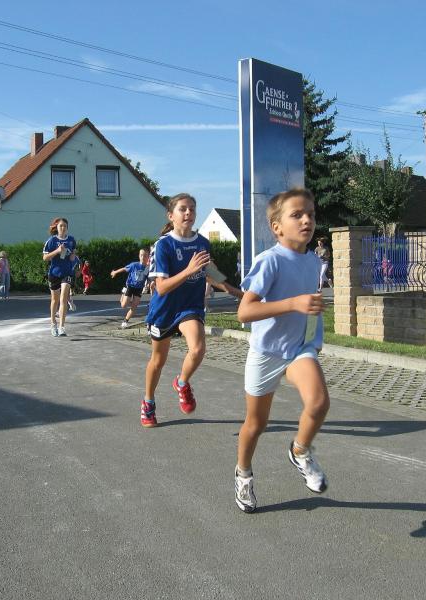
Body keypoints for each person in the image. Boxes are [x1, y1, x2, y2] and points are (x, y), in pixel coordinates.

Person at [233, 188, 330, 513]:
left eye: (310, 214)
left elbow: (306, 302)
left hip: (299, 348)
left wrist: (314, 323)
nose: (306, 220)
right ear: (277, 227)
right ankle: (243, 474)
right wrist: (293, 304)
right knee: (255, 424)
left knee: (318, 402)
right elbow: (245, 312)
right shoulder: (270, 260)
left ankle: (300, 451)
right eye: (297, 215)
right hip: (267, 353)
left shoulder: (313, 260)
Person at [141, 193, 216, 428]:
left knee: (198, 348)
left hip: (190, 307)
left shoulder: (203, 243)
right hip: (164, 309)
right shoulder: (163, 245)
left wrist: (239, 293)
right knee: (158, 361)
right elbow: (162, 287)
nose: (188, 213)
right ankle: (148, 402)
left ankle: (182, 383)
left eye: (192, 209)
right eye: (183, 209)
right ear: (171, 215)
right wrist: (189, 270)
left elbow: (211, 273)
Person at [42, 217, 77, 337]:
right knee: (55, 300)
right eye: (61, 226)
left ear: (67, 228)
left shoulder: (71, 240)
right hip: (54, 273)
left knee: (63, 299)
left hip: (67, 273)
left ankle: (62, 327)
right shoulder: (51, 241)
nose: (63, 228)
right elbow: (45, 258)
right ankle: (53, 324)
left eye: (65, 226)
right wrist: (57, 251)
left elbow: (73, 253)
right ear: (56, 227)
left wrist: (73, 255)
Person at [110, 248, 150, 329]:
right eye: (141, 255)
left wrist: (147, 285)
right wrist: (115, 272)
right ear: (139, 256)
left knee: (134, 306)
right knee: (123, 305)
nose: (143, 257)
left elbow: (148, 278)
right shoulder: (134, 265)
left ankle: (125, 321)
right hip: (130, 286)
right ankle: (123, 293)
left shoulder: (147, 268)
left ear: (148, 257)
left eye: (145, 255)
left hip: (139, 288)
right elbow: (124, 269)